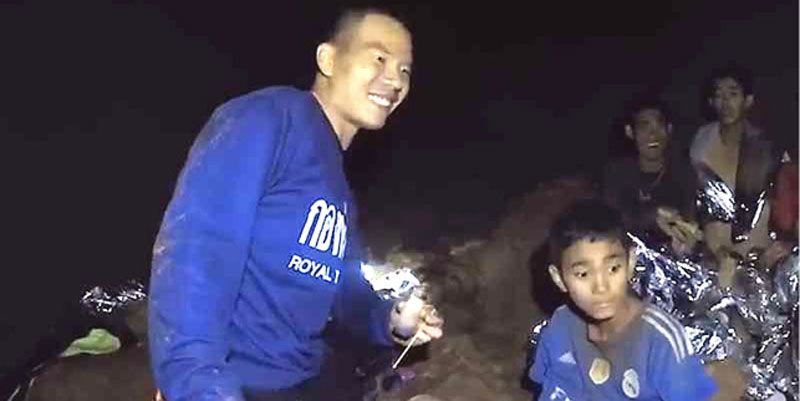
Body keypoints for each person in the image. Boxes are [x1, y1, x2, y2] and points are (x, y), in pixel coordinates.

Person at [147, 8, 443, 401]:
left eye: (405, 70)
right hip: (236, 384)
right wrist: (195, 382)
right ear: (328, 59)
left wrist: (391, 321)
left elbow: (343, 291)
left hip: (303, 380)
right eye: (379, 58)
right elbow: (196, 250)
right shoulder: (268, 119)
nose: (395, 79)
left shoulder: (338, 190)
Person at [527, 199, 719, 401]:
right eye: (583, 274)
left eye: (613, 269)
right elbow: (548, 387)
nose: (601, 287)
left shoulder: (660, 342)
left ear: (630, 263)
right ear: (559, 278)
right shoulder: (561, 328)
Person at [689, 64, 785, 269]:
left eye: (733, 94)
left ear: (748, 100)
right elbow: (697, 200)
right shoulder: (701, 143)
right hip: (714, 258)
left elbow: (784, 202)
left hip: (759, 256)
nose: (725, 103)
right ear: (711, 102)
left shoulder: (766, 147)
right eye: (719, 95)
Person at [601, 97, 700, 254]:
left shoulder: (684, 172)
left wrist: (686, 237)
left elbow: (691, 218)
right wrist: (653, 215)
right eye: (644, 126)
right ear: (630, 132)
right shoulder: (617, 173)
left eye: (659, 126)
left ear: (669, 129)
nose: (653, 135)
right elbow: (611, 219)